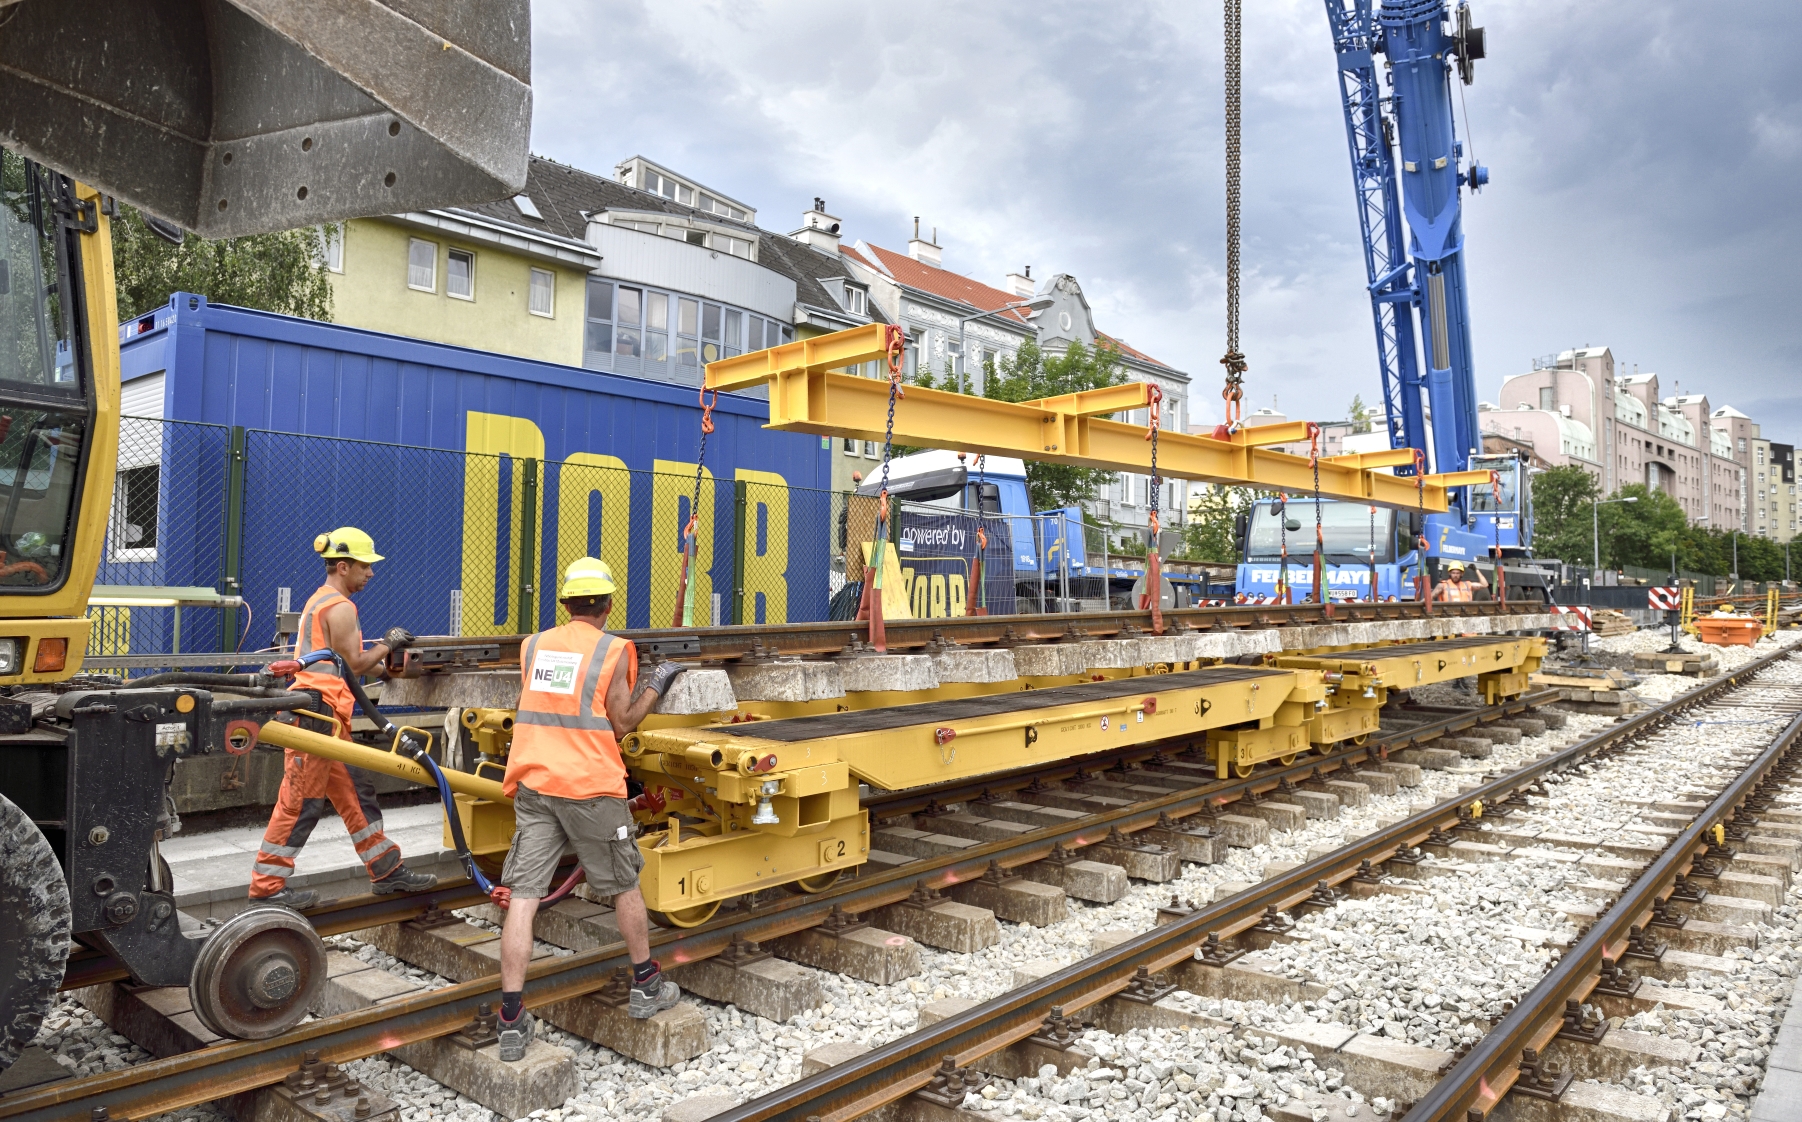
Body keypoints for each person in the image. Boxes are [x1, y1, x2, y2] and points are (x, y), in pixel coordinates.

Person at [495, 557, 687, 1062]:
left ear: (565, 604)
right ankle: (646, 984)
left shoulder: (532, 645)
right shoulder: (614, 649)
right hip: (589, 787)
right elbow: (621, 722)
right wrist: (657, 681)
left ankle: (511, 1019)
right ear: (605, 605)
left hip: (535, 782)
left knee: (523, 896)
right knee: (624, 883)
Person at [249, 528, 437, 908]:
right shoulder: (341, 607)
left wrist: (384, 667)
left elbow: (344, 666)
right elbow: (354, 663)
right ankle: (267, 889)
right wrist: (389, 643)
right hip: (316, 714)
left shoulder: (322, 602)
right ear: (343, 566)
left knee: (356, 791)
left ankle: (386, 868)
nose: (370, 574)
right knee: (301, 801)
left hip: (327, 714)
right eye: (366, 567)